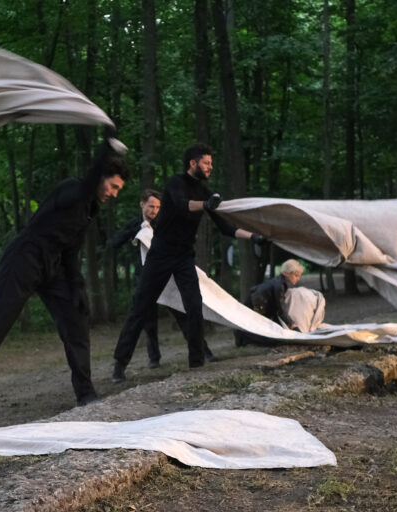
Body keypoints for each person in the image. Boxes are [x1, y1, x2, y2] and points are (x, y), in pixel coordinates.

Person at [0, 133, 129, 424]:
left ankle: (85, 393)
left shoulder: (90, 209)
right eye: (113, 186)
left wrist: (77, 288)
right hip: (24, 258)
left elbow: (70, 251)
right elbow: (84, 188)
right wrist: (104, 150)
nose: (114, 193)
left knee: (76, 321)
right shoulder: (73, 189)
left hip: (53, 267)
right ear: (101, 176)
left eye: (119, 190)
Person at [111, 143, 264, 382]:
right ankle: (120, 364)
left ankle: (196, 362)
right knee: (141, 307)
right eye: (206, 163)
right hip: (160, 255)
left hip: (183, 257)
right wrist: (206, 204)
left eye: (211, 164)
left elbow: (225, 227)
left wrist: (253, 236)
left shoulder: (204, 192)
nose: (210, 167)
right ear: (193, 163)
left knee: (194, 306)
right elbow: (182, 204)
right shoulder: (175, 183)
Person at [107, 189, 214, 370]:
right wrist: (136, 233)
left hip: (169, 279)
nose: (154, 211)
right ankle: (151, 359)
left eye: (157, 207)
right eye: (151, 206)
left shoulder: (164, 223)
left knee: (183, 314)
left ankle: (204, 351)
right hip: (146, 278)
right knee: (146, 319)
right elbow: (114, 243)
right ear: (142, 204)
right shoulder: (136, 225)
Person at [234, 259, 305, 347]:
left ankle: (242, 336)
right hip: (256, 307)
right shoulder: (280, 285)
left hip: (258, 306)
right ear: (287, 273)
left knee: (275, 337)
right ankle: (243, 335)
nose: (298, 278)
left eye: (299, 276)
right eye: (296, 275)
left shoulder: (279, 282)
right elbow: (280, 309)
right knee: (273, 341)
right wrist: (292, 325)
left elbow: (276, 308)